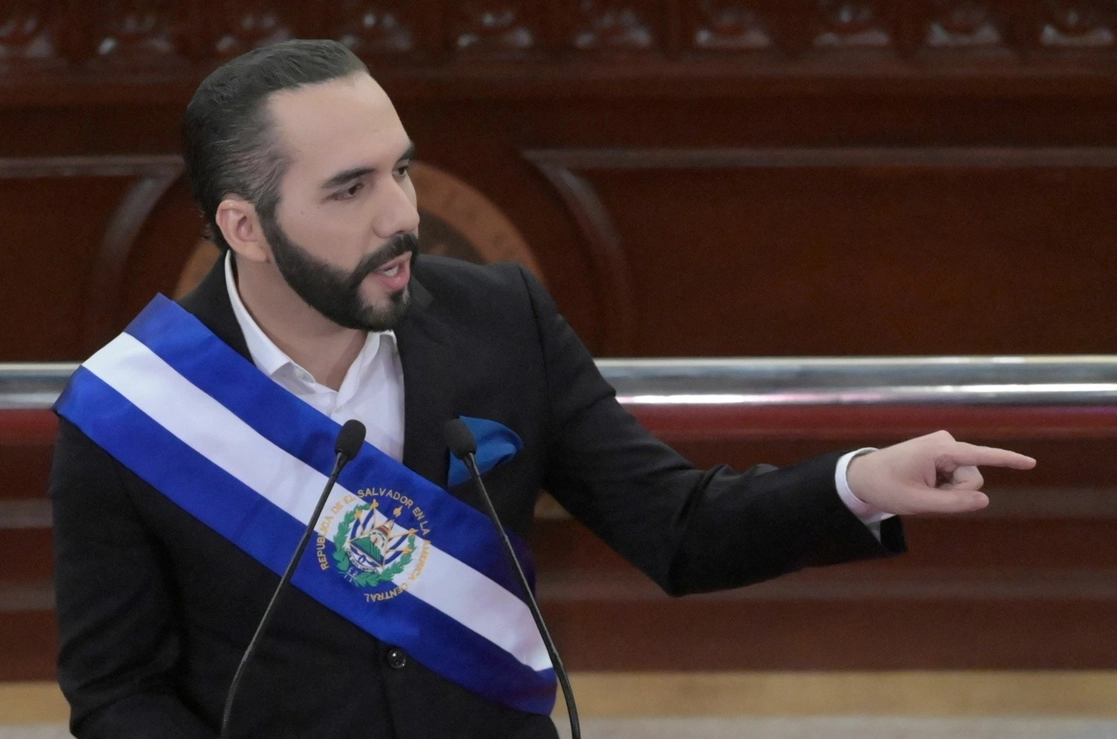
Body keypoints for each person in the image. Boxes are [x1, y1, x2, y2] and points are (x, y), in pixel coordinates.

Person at [48, 39, 1036, 739]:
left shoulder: (499, 319)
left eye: (401, 170)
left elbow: (677, 526)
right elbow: (117, 692)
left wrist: (858, 481)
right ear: (245, 227)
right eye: (349, 189)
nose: (402, 216)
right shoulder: (132, 412)